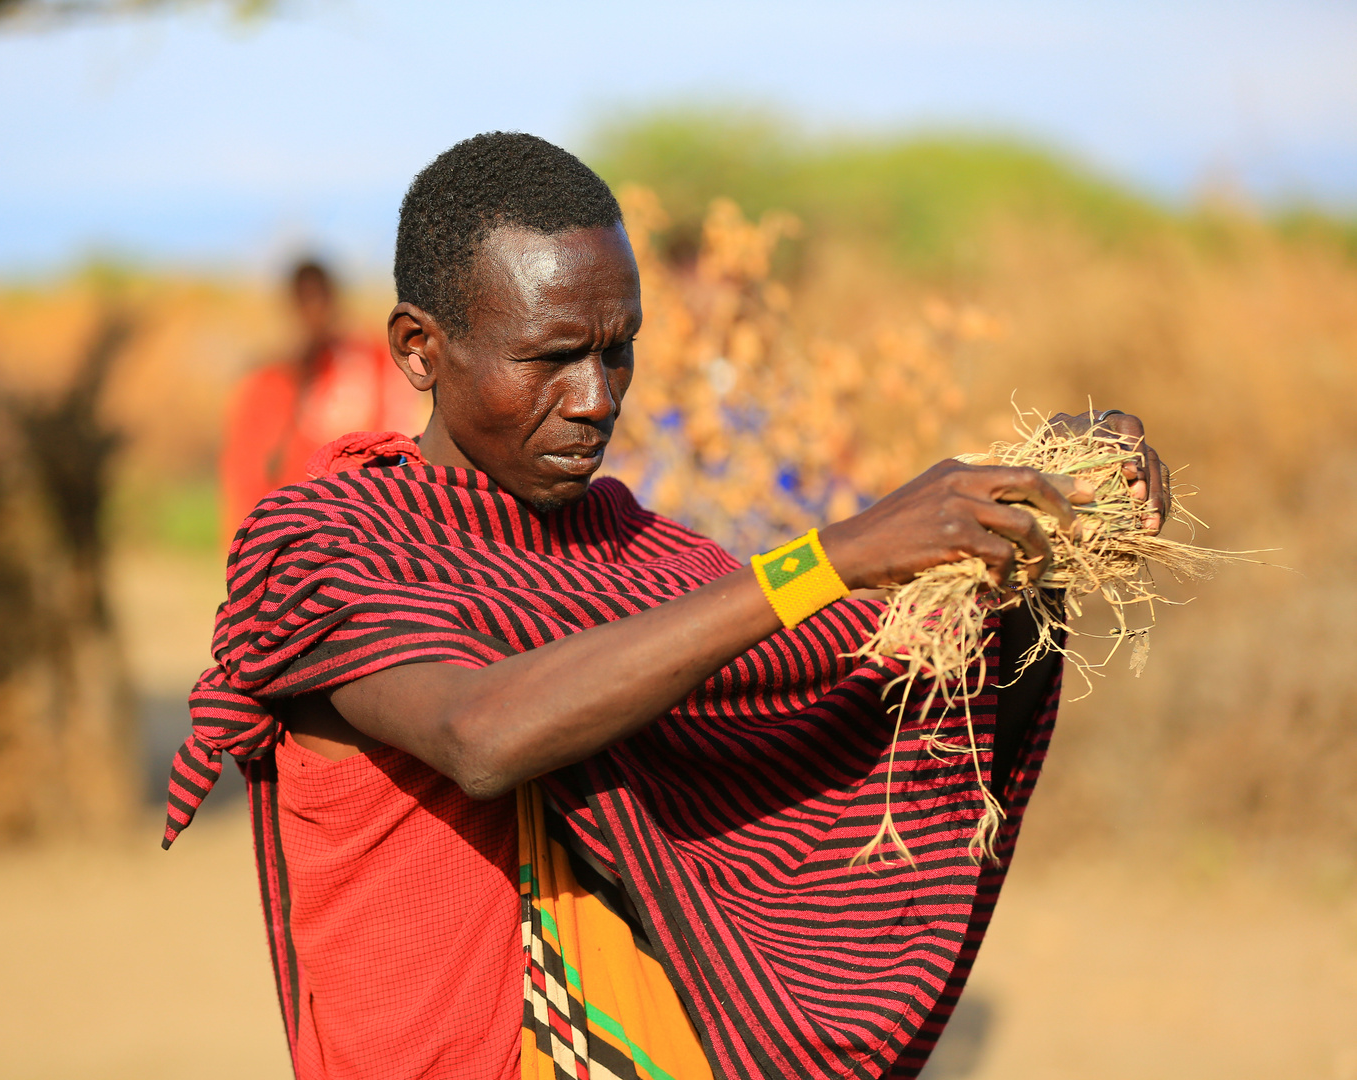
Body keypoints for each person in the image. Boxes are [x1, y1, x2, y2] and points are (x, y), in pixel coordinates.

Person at [166, 133, 1170, 1080]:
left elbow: (826, 667)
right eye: (552, 357)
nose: (598, 397)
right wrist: (839, 552)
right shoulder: (323, 544)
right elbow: (484, 733)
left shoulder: (638, 549)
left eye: (619, 350)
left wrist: (1042, 509)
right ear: (420, 349)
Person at [218, 259, 426, 544]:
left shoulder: (371, 366)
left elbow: (401, 447)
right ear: (291, 308)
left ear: (334, 302)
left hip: (362, 535)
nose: (313, 314)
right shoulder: (268, 384)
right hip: (286, 540)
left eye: (320, 301)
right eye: (305, 303)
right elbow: (244, 477)